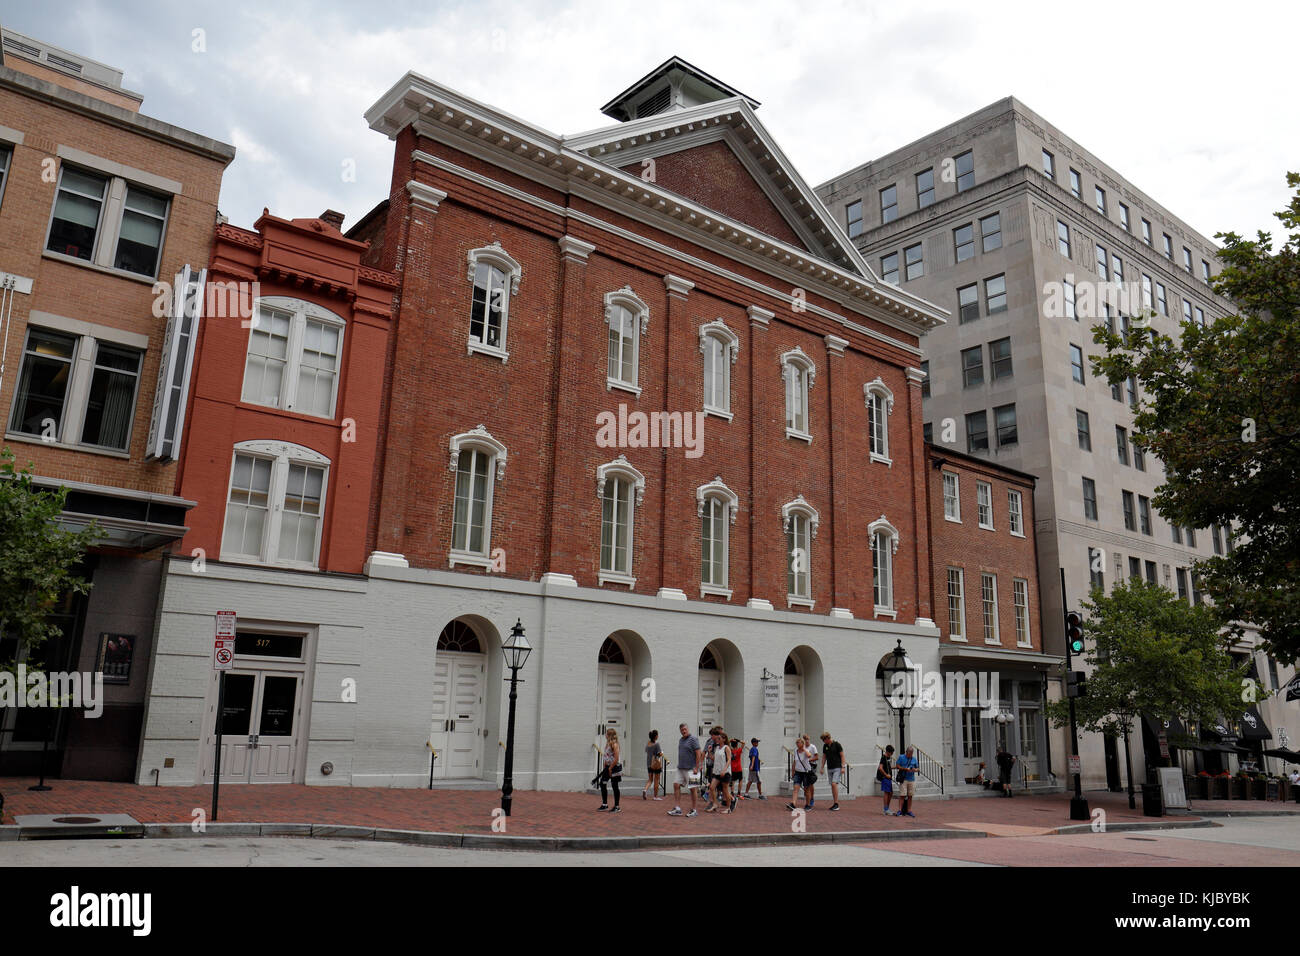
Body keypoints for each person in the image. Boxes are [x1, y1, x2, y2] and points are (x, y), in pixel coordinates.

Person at [668, 723, 703, 817]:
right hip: (681, 768)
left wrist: (697, 767)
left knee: (693, 789)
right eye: (682, 730)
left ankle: (694, 810)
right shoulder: (681, 740)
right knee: (676, 785)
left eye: (685, 729)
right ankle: (678, 808)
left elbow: (698, 753)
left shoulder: (693, 739)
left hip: (692, 769)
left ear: (688, 729)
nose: (683, 731)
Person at [597, 728, 623, 812]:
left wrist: (611, 768)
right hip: (608, 767)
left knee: (614, 786)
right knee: (602, 783)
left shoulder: (615, 744)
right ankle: (605, 804)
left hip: (614, 767)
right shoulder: (607, 744)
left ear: (609, 735)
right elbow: (606, 756)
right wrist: (605, 766)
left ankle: (617, 806)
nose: (605, 735)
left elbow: (616, 758)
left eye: (606, 734)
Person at [707, 731, 732, 813]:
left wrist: (724, 770)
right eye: (717, 738)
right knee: (711, 787)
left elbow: (729, 760)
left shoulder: (726, 748)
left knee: (725, 791)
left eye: (719, 738)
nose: (717, 740)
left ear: (724, 739)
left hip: (725, 772)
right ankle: (715, 804)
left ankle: (728, 808)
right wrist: (709, 752)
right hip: (717, 772)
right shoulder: (717, 748)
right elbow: (714, 759)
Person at [819, 731, 845, 811]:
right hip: (829, 768)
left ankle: (836, 804)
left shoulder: (837, 745)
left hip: (837, 767)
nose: (824, 741)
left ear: (828, 738)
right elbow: (824, 757)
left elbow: (842, 756)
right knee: (832, 786)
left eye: (824, 740)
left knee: (834, 784)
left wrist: (843, 767)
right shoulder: (825, 746)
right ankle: (835, 803)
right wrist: (822, 767)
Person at [787, 736, 813, 811]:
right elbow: (795, 761)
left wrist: (804, 749)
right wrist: (792, 771)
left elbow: (809, 756)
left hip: (806, 773)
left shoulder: (806, 750)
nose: (797, 744)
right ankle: (793, 803)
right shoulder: (796, 751)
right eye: (796, 743)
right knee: (796, 788)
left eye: (799, 742)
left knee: (806, 789)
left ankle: (808, 804)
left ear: (802, 743)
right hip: (798, 772)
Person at [894, 745, 918, 817]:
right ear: (906, 752)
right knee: (902, 795)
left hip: (911, 779)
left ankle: (909, 810)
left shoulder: (914, 759)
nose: (910, 755)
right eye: (909, 753)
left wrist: (914, 770)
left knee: (910, 795)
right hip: (904, 779)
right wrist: (905, 769)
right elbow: (897, 766)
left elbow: (918, 768)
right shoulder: (901, 757)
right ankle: (900, 810)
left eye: (911, 753)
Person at [643, 729, 664, 800]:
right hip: (655, 763)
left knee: (650, 779)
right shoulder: (657, 744)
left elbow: (646, 751)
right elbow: (659, 753)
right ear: (655, 736)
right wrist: (661, 752)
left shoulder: (648, 743)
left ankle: (645, 790)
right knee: (656, 780)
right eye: (657, 735)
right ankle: (655, 796)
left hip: (649, 763)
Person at [802, 733, 819, 810]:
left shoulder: (812, 747)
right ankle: (808, 798)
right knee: (805, 784)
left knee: (810, 783)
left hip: (812, 766)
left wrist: (809, 760)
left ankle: (811, 798)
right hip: (804, 767)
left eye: (808, 739)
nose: (807, 741)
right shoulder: (803, 747)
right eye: (805, 740)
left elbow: (817, 757)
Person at [877, 745, 895, 815]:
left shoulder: (888, 757)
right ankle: (885, 809)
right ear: (888, 752)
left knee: (890, 793)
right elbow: (880, 768)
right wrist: (886, 775)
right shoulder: (883, 757)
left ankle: (887, 808)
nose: (892, 754)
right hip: (885, 778)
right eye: (891, 753)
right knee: (887, 792)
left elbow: (887, 767)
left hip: (888, 778)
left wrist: (894, 767)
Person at [728, 738, 744, 810]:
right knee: (740, 780)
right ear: (737, 745)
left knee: (733, 781)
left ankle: (732, 792)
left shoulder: (730, 750)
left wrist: (731, 740)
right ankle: (739, 793)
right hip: (739, 768)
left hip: (732, 768)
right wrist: (738, 740)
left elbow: (727, 744)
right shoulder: (739, 750)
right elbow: (743, 743)